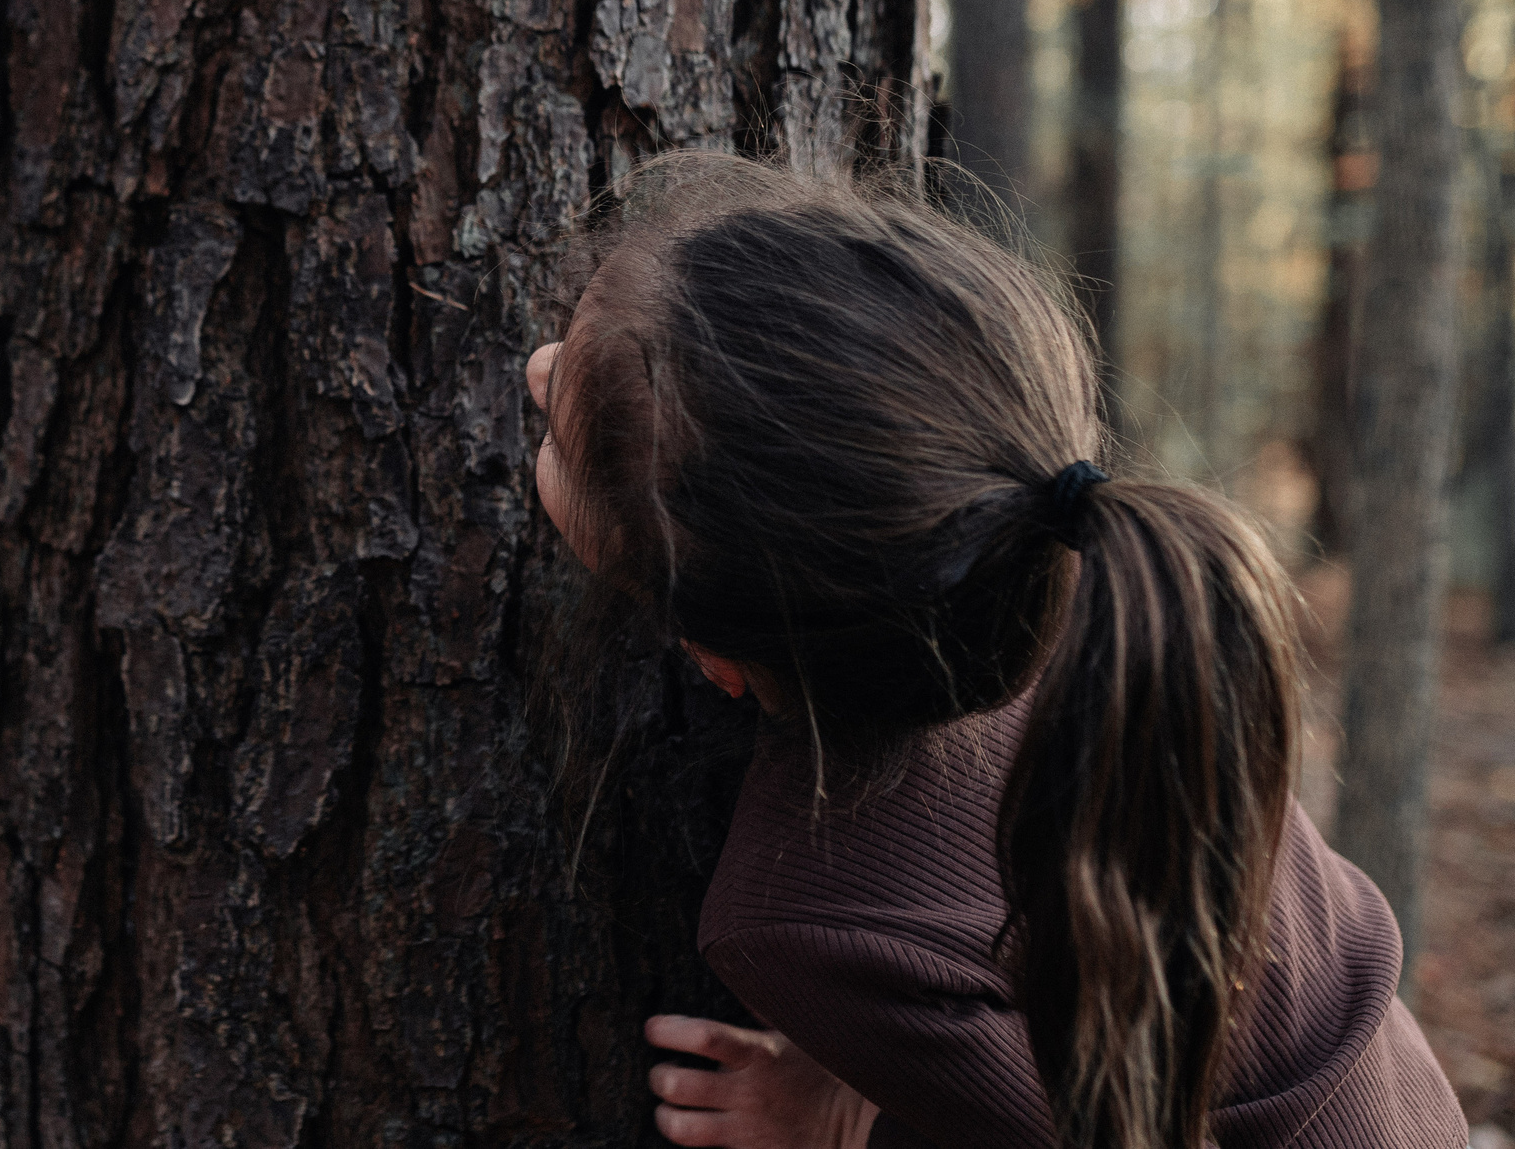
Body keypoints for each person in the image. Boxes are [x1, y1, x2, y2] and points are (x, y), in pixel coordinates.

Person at [525, 152, 1467, 1149]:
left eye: (561, 440)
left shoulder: (796, 916)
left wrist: (854, 1127)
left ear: (711, 651)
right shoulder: (1112, 580)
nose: (537, 371)